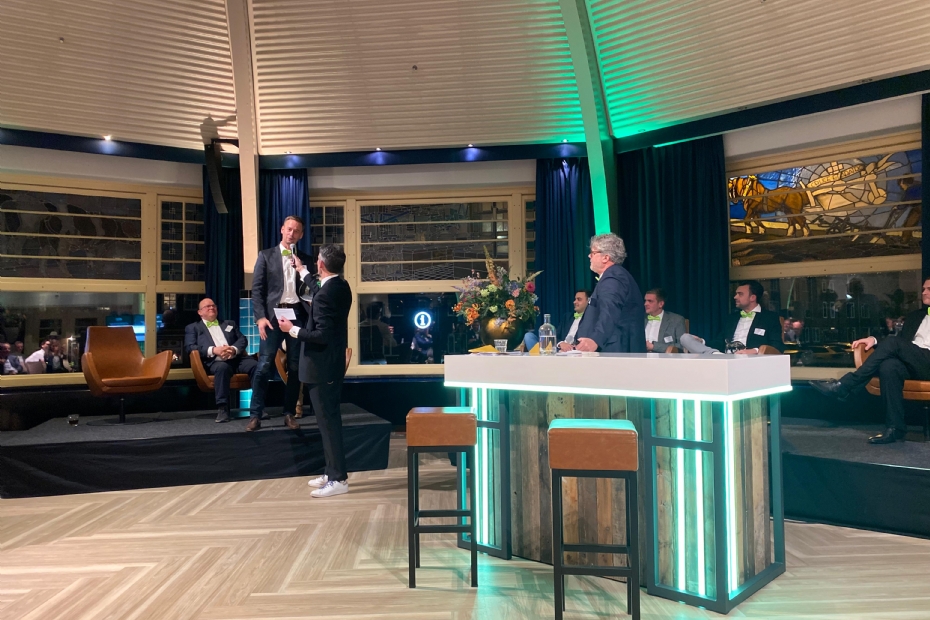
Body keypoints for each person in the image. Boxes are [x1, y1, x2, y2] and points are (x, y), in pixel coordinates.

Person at [810, 277, 930, 444]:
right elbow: (901, 341)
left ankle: (846, 385)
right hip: (915, 362)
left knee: (893, 344)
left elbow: (896, 343)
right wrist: (873, 340)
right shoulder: (916, 316)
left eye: (928, 289)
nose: (924, 292)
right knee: (889, 366)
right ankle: (895, 428)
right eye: (923, 289)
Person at [278, 244, 353, 498]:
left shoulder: (324, 295)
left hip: (322, 368)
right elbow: (318, 288)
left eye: (317, 261)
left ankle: (338, 478)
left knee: (328, 424)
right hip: (330, 365)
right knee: (327, 422)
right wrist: (301, 271)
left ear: (321, 264)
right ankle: (332, 471)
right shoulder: (340, 286)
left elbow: (321, 335)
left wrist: (292, 329)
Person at [248, 215, 313, 432]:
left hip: (297, 314)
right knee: (264, 365)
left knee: (295, 366)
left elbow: (311, 290)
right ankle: (255, 414)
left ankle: (289, 413)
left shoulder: (306, 259)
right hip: (273, 317)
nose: (292, 233)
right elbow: (257, 290)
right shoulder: (266, 256)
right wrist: (260, 317)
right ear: (282, 230)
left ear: (301, 235)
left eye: (296, 231)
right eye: (289, 229)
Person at [184, 298, 258, 423]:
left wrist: (233, 349)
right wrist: (214, 350)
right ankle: (223, 408)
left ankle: (257, 407)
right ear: (200, 312)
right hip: (215, 361)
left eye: (213, 305)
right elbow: (190, 347)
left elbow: (242, 339)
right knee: (222, 368)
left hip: (236, 359)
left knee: (256, 366)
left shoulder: (229, 323)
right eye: (207, 306)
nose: (211, 307)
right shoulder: (193, 328)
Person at [572, 233, 647, 353]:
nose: (589, 256)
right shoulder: (614, 275)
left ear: (605, 258)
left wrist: (595, 340)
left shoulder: (613, 277)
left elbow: (610, 310)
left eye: (593, 253)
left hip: (615, 352)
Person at [679, 281, 784, 355]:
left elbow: (777, 345)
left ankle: (714, 355)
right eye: (736, 294)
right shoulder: (731, 318)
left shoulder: (769, 318)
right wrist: (702, 342)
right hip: (726, 357)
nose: (735, 297)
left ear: (752, 297)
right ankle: (715, 354)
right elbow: (720, 341)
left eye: (740, 294)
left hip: (750, 360)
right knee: (685, 338)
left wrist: (754, 351)